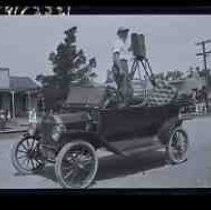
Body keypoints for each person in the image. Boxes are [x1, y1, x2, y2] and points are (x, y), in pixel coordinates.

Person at [112, 26, 134, 106]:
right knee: (123, 87)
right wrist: (120, 68)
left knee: (129, 87)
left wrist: (131, 48)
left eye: (126, 32)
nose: (126, 34)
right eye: (124, 32)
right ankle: (122, 105)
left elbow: (126, 52)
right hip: (120, 64)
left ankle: (127, 104)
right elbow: (115, 57)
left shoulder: (123, 44)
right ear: (119, 34)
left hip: (124, 64)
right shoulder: (118, 42)